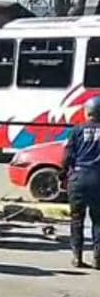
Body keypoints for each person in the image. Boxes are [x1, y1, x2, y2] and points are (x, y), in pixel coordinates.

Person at [61, 96, 100, 268]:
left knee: (77, 219)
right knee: (98, 220)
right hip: (98, 179)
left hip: (78, 177)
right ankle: (98, 258)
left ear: (87, 112)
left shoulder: (77, 130)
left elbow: (68, 156)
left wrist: (63, 175)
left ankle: (77, 257)